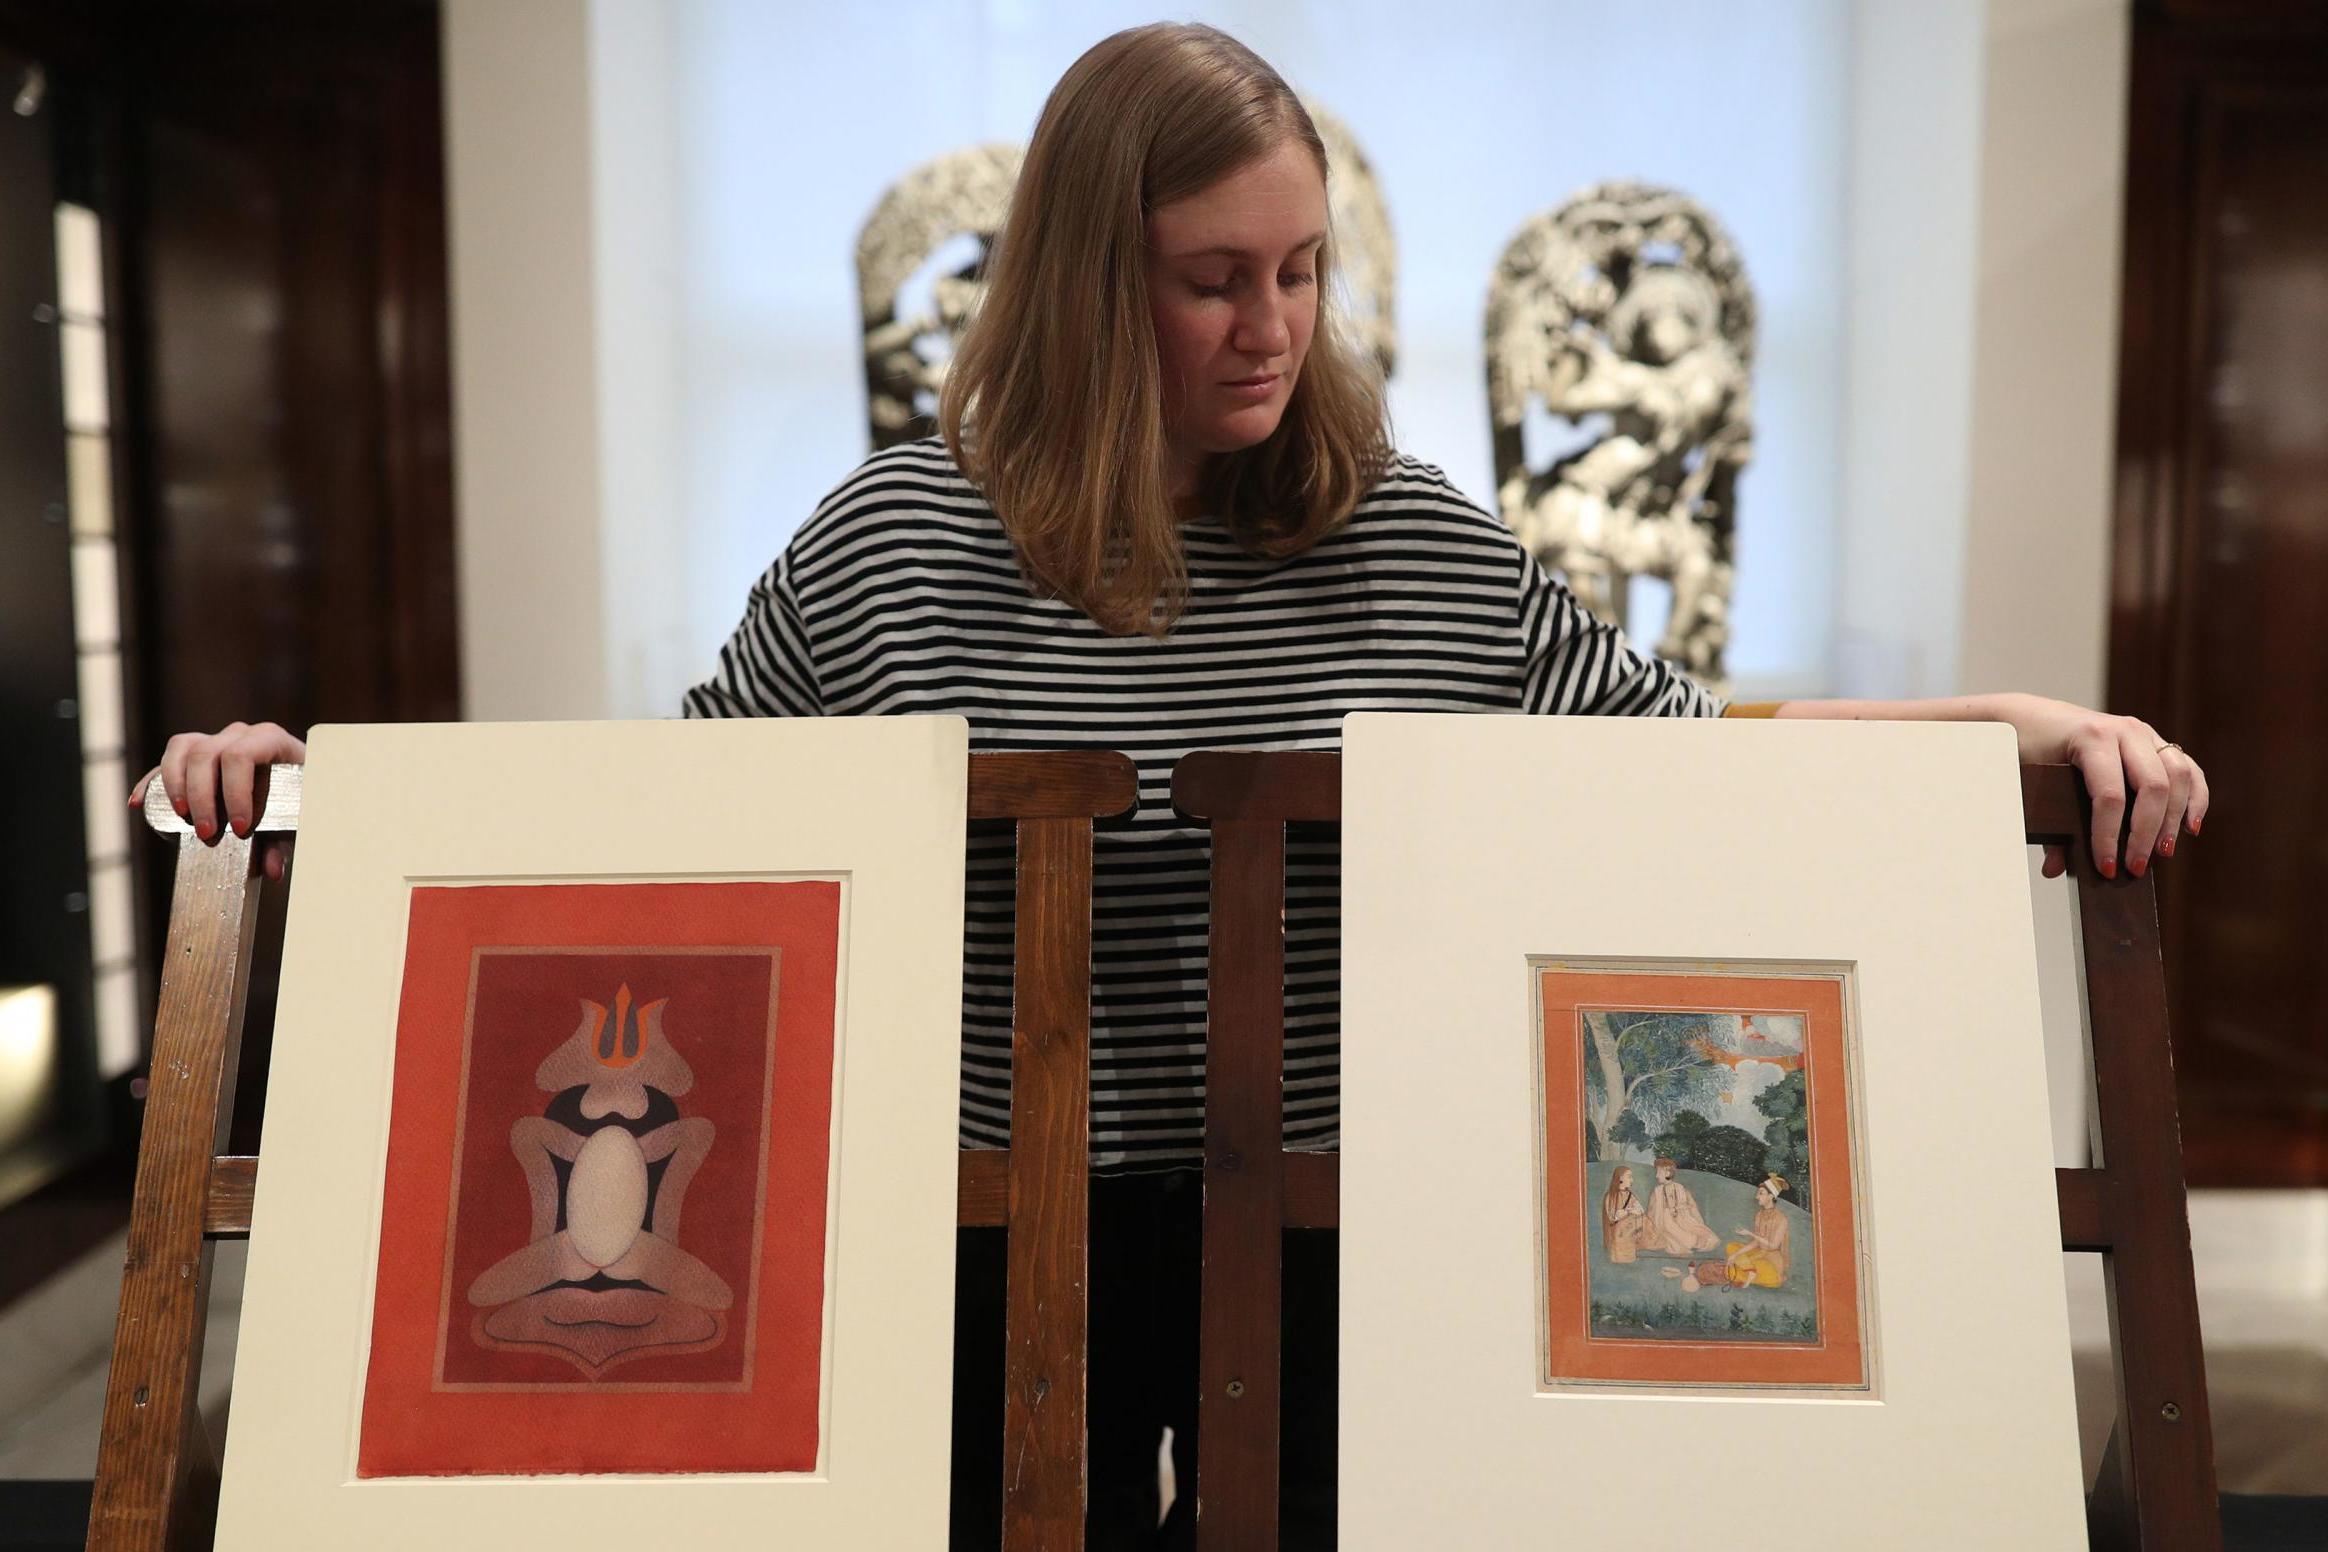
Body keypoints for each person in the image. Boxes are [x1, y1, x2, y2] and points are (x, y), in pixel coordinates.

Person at [132, 22, 2211, 1550]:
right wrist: (316, 793)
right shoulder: (888, 544)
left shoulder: (1417, 539)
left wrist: (2002, 720)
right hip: (962, 1221)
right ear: (1082, 275)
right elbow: (645, 840)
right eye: (1217, 274)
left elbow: (1700, 769)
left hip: (1333, 1222)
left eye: (1299, 270)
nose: (1272, 324)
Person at [1725, 1175, 1795, 1290]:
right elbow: (1756, 1243)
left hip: (1772, 1260)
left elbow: (1773, 1245)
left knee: (1771, 1278)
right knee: (1731, 1247)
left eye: (1761, 1193)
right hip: (1758, 1254)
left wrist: (1750, 1233)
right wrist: (1736, 1254)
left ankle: (1746, 1273)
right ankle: (1749, 1272)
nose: (1757, 1197)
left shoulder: (1781, 1219)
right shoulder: (1759, 1215)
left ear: (1771, 1196)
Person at [1643, 1156, 1721, 1256]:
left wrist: (1698, 1220)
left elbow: (1692, 1206)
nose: (1656, 1176)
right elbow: (1651, 1211)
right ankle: (1693, 1241)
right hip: (1663, 1220)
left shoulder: (1680, 1188)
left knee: (1697, 1229)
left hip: (1682, 1218)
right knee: (1667, 1222)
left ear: (1667, 1172)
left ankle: (1697, 1240)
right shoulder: (1657, 1191)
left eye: (1658, 1172)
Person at [1601, 1164, 1654, 1264]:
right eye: (1629, 1176)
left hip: (1630, 1228)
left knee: (1645, 1220)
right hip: (1619, 1231)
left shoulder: (1630, 1194)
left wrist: (1632, 1211)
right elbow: (1612, 1217)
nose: (1632, 1180)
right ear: (1620, 1178)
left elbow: (1640, 1210)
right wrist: (1629, 1211)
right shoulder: (1611, 1196)